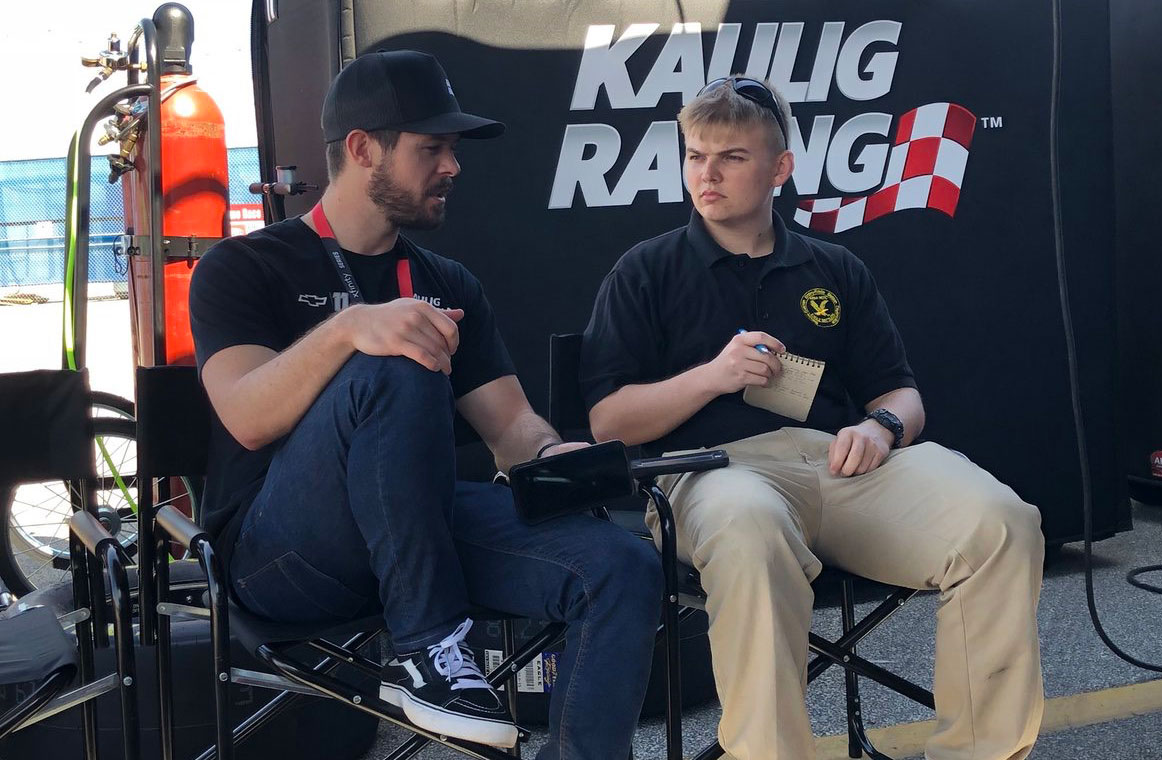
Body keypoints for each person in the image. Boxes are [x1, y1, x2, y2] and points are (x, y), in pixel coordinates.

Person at [189, 50, 662, 756]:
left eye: (452, 148)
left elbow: (510, 428)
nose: (453, 165)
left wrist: (551, 454)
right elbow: (248, 417)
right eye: (431, 148)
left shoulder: (449, 282)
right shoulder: (243, 266)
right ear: (361, 149)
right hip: (280, 554)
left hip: (420, 527)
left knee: (622, 566)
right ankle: (429, 647)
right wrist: (352, 327)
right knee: (396, 357)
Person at [580, 76, 1045, 760]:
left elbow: (900, 393)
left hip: (836, 465)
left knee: (1001, 522)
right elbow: (606, 424)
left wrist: (881, 428)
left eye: (731, 157)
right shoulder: (646, 271)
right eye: (694, 155)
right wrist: (713, 376)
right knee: (750, 526)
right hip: (709, 475)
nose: (706, 174)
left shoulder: (834, 266)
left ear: (781, 168)